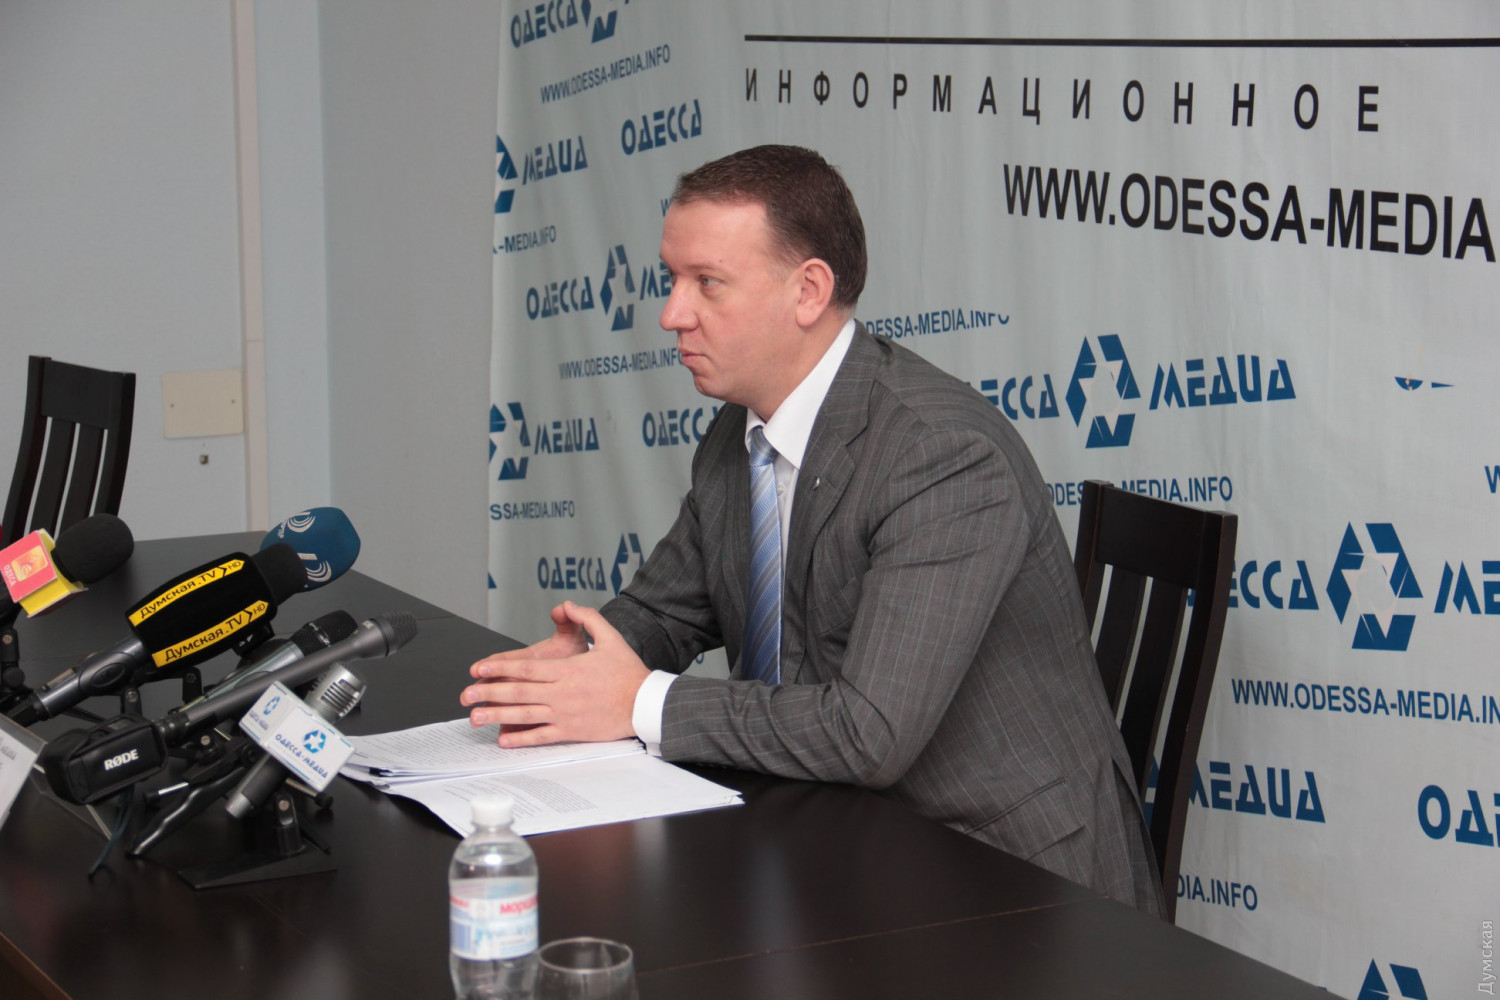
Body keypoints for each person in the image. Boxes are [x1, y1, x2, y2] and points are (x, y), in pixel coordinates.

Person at [464, 144, 1164, 915]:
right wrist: (575, 668)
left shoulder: (942, 455)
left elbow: (869, 732)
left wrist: (636, 702)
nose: (671, 314)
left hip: (1009, 878)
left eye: (707, 283)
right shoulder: (737, 433)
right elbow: (666, 609)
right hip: (834, 832)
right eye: (671, 279)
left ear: (808, 291)